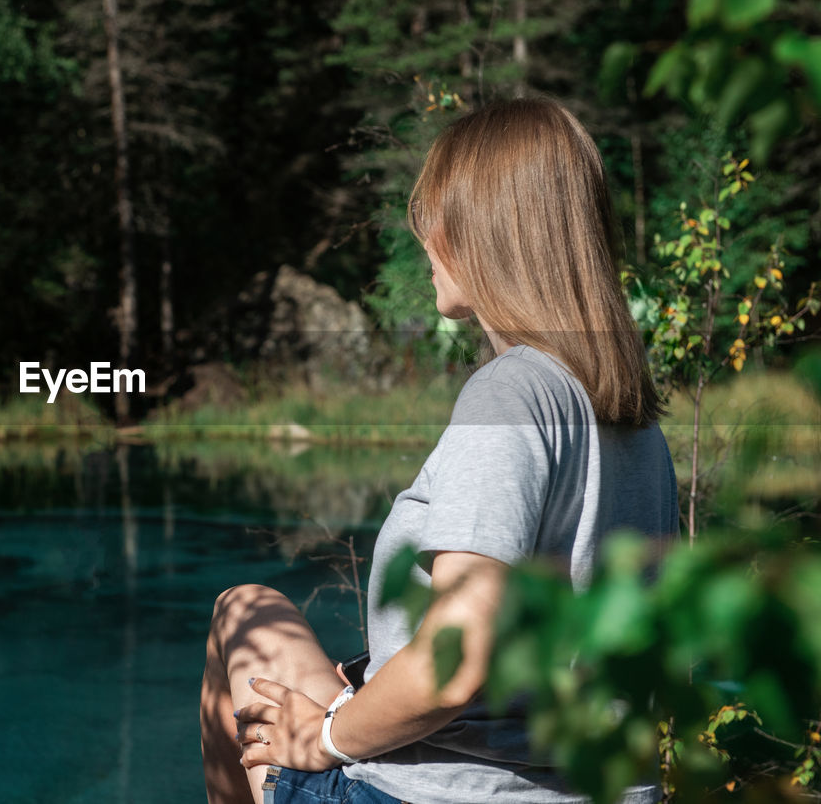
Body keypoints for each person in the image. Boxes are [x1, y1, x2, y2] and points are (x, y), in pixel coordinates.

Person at [199, 97, 679, 804]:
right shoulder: (638, 425)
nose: (422, 240)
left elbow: (456, 662)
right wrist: (365, 691)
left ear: (480, 230)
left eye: (432, 217)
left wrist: (329, 735)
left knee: (241, 609)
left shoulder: (510, 393)